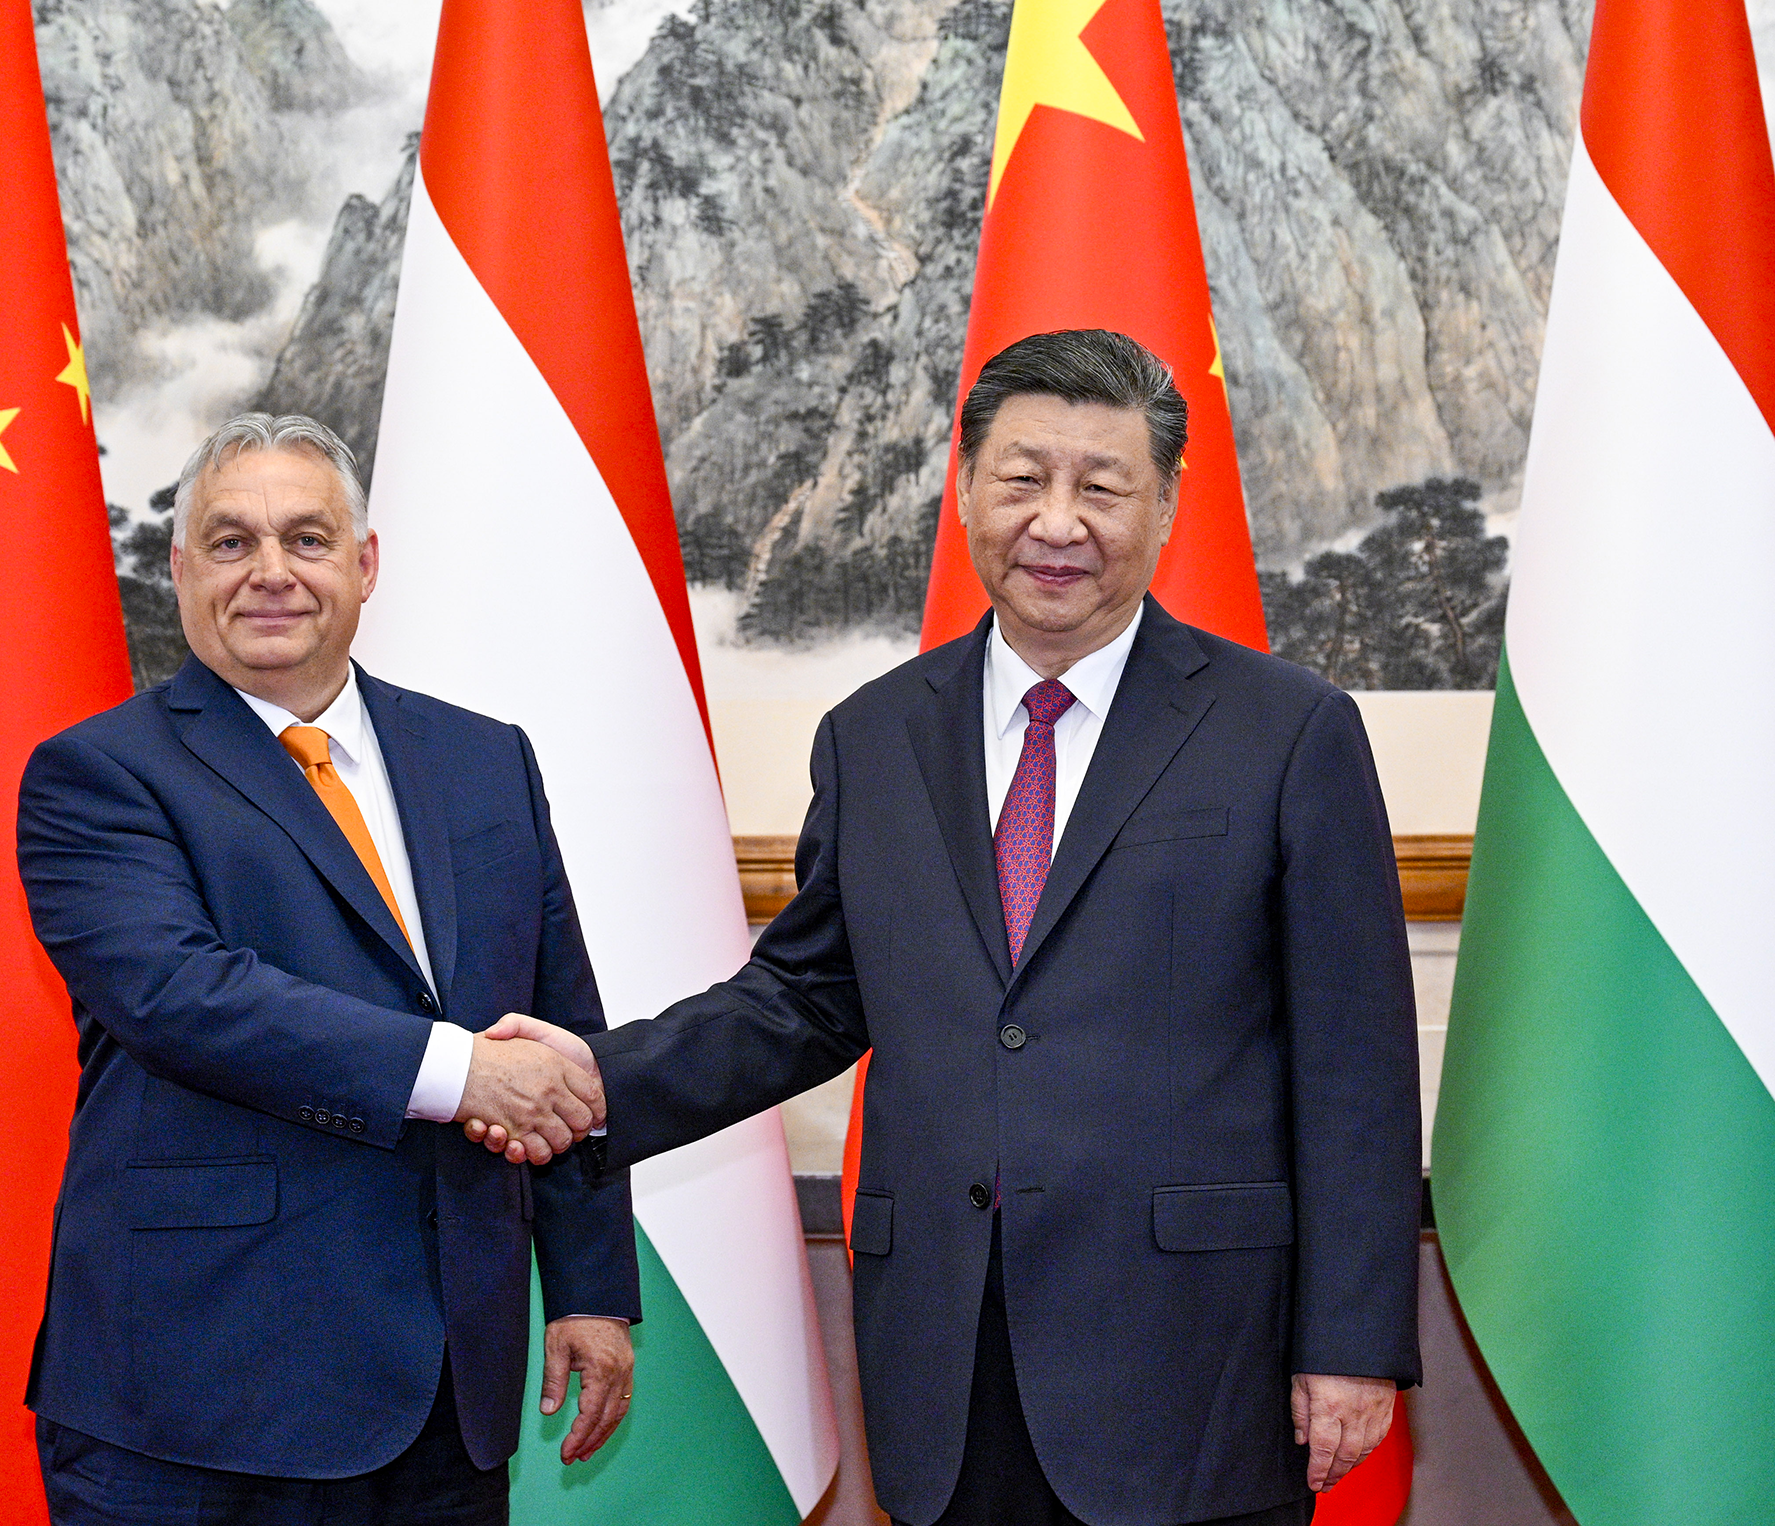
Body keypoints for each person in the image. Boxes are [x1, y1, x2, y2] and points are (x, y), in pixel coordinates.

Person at [475, 332, 1423, 1526]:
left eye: (1101, 485)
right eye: (1022, 478)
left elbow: (1354, 1064)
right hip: (946, 1351)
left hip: (1193, 1357)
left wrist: (1349, 1341)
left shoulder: (1285, 730)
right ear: (964, 488)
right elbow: (805, 997)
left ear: (1165, 506)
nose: (1057, 521)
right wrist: (591, 1078)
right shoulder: (874, 735)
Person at [17, 414, 636, 1526]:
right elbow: (182, 996)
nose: (271, 572)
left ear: (365, 563)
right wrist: (461, 1072)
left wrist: (588, 1286)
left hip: (448, 1392)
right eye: (230, 541)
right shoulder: (98, 774)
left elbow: (558, 1030)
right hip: (199, 1403)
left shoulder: (484, 759)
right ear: (179, 568)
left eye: (307, 538)